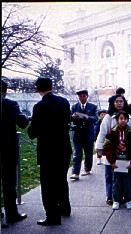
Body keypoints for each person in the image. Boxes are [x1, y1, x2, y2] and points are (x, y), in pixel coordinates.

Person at [27, 78, 72, 226]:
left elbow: (32, 132)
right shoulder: (64, 102)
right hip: (64, 147)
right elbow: (67, 119)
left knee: (48, 185)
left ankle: (52, 216)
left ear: (38, 88)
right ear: (51, 87)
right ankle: (65, 208)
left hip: (48, 150)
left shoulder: (39, 106)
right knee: (61, 179)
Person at [95, 94, 131, 206]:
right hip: (111, 150)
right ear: (113, 103)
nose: (119, 103)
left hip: (124, 152)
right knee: (110, 175)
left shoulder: (129, 117)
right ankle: (110, 196)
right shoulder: (108, 117)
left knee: (124, 175)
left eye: (121, 101)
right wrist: (99, 148)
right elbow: (102, 133)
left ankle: (123, 196)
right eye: (116, 101)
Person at [1, 80, 29, 228]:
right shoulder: (9, 104)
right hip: (6, 148)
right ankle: (12, 214)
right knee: (9, 181)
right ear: (5, 90)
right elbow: (23, 122)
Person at [103, 111, 131, 210]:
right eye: (120, 118)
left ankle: (128, 200)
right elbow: (107, 146)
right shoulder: (112, 132)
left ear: (127, 120)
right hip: (116, 161)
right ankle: (116, 200)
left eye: (124, 119)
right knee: (116, 181)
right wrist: (111, 161)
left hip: (127, 161)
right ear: (117, 120)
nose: (123, 120)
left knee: (127, 181)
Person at [70, 89, 98, 180]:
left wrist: (87, 118)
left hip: (88, 133)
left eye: (83, 96)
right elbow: (69, 118)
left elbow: (95, 119)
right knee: (77, 153)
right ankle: (75, 172)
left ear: (87, 96)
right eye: (80, 96)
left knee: (88, 152)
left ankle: (87, 169)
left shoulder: (93, 106)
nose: (82, 98)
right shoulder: (74, 107)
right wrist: (72, 117)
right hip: (77, 133)